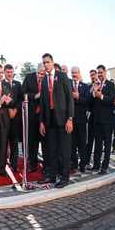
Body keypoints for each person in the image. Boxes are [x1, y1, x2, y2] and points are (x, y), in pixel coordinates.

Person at [39, 53, 74, 188]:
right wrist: (42, 122)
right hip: (50, 120)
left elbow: (70, 99)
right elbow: (42, 103)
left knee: (64, 150)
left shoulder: (63, 76)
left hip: (63, 119)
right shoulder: (44, 80)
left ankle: (65, 178)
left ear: (53, 62)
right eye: (44, 63)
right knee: (52, 150)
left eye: (48, 62)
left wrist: (70, 119)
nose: (46, 64)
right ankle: (52, 176)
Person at [91, 65, 115, 175]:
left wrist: (101, 96)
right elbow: (90, 101)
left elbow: (111, 100)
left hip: (107, 120)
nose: (100, 74)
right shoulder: (95, 85)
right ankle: (96, 165)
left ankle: (105, 166)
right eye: (98, 73)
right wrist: (93, 92)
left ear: (105, 72)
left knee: (107, 144)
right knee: (97, 144)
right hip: (97, 120)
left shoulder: (110, 85)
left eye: (101, 72)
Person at [70, 66, 90, 173]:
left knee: (82, 143)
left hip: (82, 120)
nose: (74, 74)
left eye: (76, 72)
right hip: (71, 119)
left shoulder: (85, 86)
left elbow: (87, 101)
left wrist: (78, 97)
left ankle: (83, 164)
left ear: (79, 73)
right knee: (72, 144)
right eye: (72, 73)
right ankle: (74, 164)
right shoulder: (68, 85)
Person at [4, 64, 23, 171]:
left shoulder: (18, 84)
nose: (9, 74)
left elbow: (21, 99)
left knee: (14, 142)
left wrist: (15, 109)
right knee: (3, 142)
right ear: (4, 72)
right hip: (4, 117)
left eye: (11, 72)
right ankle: (3, 164)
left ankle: (14, 164)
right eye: (7, 72)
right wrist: (9, 109)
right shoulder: (1, 84)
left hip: (16, 117)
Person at [85, 69, 99, 170]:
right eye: (91, 75)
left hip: (100, 117)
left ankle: (97, 163)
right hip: (90, 117)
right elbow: (87, 100)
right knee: (89, 141)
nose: (92, 76)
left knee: (98, 141)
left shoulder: (101, 85)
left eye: (93, 74)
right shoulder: (88, 87)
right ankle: (87, 161)